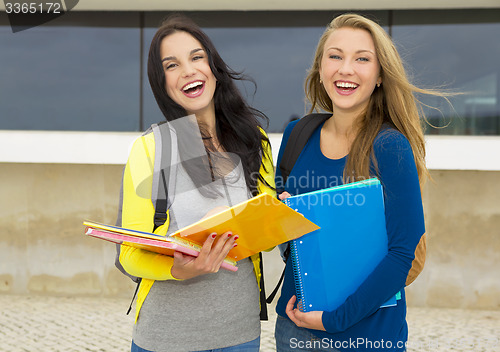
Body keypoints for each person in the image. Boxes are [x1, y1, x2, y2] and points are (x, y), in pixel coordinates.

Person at [274, 13, 444, 351]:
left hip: (369, 334)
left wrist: (334, 319)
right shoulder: (296, 136)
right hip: (296, 330)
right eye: (335, 56)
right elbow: (290, 247)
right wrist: (278, 219)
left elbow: (402, 254)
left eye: (362, 59)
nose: (346, 69)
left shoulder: (390, 146)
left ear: (380, 75)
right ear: (320, 69)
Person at [117, 15, 275, 352]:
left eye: (196, 57)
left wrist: (276, 217)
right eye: (171, 65)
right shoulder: (151, 147)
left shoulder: (254, 139)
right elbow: (128, 253)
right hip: (166, 338)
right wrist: (178, 270)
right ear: (163, 83)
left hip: (241, 334)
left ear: (213, 66)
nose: (188, 70)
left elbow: (266, 241)